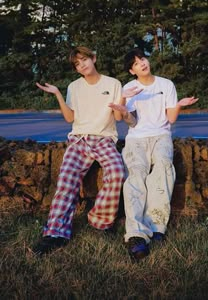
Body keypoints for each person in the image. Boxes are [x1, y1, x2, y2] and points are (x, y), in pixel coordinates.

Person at [33, 46, 137, 255]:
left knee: (117, 171)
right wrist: (57, 94)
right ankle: (55, 233)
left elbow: (118, 118)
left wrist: (123, 100)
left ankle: (99, 220)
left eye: (84, 60)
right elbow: (70, 119)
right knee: (66, 179)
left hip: (104, 140)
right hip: (80, 139)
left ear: (94, 58)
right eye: (77, 64)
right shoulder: (74, 87)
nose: (82, 65)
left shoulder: (113, 84)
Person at [109, 48, 198, 262]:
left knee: (163, 168)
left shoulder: (166, 85)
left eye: (143, 58)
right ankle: (136, 235)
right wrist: (123, 103)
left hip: (161, 136)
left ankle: (157, 226)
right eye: (136, 62)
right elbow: (129, 121)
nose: (142, 63)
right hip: (136, 139)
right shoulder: (129, 87)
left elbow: (171, 118)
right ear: (132, 71)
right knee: (136, 175)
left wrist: (178, 105)